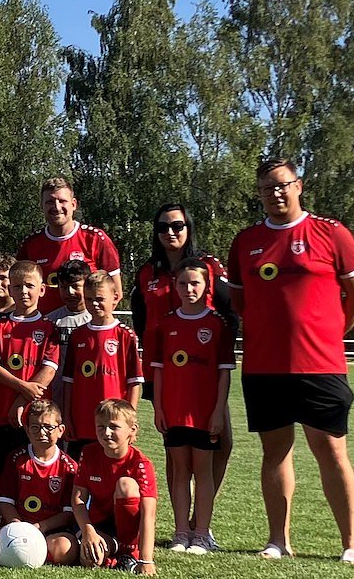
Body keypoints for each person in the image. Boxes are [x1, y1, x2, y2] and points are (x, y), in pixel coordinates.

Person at [228, 157, 354, 565]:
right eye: (266, 188)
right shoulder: (246, 241)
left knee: (332, 451)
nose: (275, 193)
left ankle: (351, 543)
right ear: (258, 194)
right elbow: (240, 302)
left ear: (298, 185)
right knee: (274, 452)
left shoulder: (331, 232)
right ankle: (278, 540)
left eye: (282, 185)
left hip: (320, 365)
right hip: (264, 367)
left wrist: (330, 334)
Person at [130, 203, 234, 539]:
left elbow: (229, 311)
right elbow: (141, 319)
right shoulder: (147, 272)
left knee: (222, 442)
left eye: (177, 226)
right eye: (162, 227)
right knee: (175, 453)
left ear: (188, 227)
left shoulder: (209, 266)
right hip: (164, 373)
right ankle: (183, 528)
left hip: (205, 375)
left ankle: (200, 523)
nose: (170, 232)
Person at [151, 258, 235, 555]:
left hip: (204, 414)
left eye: (195, 283)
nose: (189, 289)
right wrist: (159, 409)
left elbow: (223, 374)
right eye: (183, 283)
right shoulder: (166, 324)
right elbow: (159, 372)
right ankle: (180, 533)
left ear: (207, 286)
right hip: (174, 412)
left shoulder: (217, 324)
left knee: (203, 473)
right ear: (175, 286)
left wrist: (218, 411)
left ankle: (201, 534)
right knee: (179, 473)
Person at [0, 259, 59, 520]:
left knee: (28, 465)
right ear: (10, 289)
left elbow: (49, 370)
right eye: (17, 286)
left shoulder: (49, 328)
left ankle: (26, 517)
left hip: (34, 414)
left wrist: (20, 402)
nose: (23, 291)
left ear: (42, 289)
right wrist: (22, 387)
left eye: (29, 286)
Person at [0, 399, 79, 566]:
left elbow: (68, 514)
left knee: (65, 550)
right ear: (27, 431)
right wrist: (19, 527)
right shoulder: (16, 459)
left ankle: (28, 553)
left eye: (48, 427)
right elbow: (5, 502)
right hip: (15, 528)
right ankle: (17, 550)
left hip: (50, 531)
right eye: (35, 427)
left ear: (60, 430)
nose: (41, 433)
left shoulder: (69, 467)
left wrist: (39, 528)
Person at [61, 271, 142, 459]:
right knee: (80, 470)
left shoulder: (125, 335)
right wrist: (67, 417)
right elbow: (68, 382)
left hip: (113, 424)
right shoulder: (78, 335)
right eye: (89, 299)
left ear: (115, 297)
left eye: (99, 299)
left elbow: (134, 382)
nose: (94, 304)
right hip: (82, 421)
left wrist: (129, 421)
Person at [72, 399, 158, 575]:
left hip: (129, 531)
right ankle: (114, 555)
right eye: (101, 427)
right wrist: (88, 531)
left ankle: (128, 553)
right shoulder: (88, 453)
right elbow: (78, 499)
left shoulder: (140, 463)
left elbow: (148, 514)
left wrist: (146, 560)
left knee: (126, 485)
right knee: (90, 559)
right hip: (99, 526)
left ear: (132, 430)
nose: (106, 432)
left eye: (114, 427)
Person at [17, 177, 121, 314]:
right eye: (50, 202)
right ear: (42, 206)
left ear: (73, 204)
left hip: (86, 323)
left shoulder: (95, 238)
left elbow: (116, 293)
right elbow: (17, 289)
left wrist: (96, 321)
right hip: (44, 324)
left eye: (62, 201)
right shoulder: (31, 243)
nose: (56, 207)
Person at [45, 259, 92, 412]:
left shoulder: (96, 320)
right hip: (56, 397)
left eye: (75, 286)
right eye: (64, 287)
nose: (70, 292)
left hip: (88, 395)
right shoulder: (50, 321)